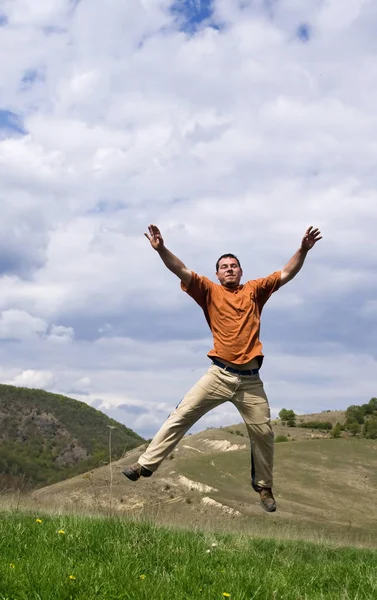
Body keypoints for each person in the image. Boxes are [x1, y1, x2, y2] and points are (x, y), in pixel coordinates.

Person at [123, 224, 322, 512]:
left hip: (251, 381)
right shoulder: (208, 290)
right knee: (180, 415)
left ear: (241, 271)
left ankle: (264, 487)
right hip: (218, 374)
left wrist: (303, 249)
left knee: (264, 433)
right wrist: (161, 249)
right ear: (217, 274)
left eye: (234, 266)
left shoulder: (255, 290)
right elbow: (181, 270)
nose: (229, 270)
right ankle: (144, 465)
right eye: (224, 267)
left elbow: (286, 273)